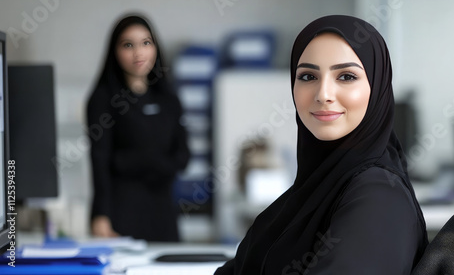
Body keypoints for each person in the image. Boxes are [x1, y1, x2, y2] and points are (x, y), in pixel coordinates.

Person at [215, 15, 428, 274]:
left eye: (347, 76)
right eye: (307, 76)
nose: (323, 94)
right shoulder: (314, 187)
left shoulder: (379, 197)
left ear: (378, 86)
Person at [86, 14, 190, 242]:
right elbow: (100, 160)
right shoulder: (103, 99)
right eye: (128, 45)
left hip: (162, 211)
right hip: (121, 211)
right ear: (114, 51)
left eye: (146, 43)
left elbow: (183, 157)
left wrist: (132, 161)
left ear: (155, 47)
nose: (139, 53)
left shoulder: (169, 98)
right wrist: (100, 214)